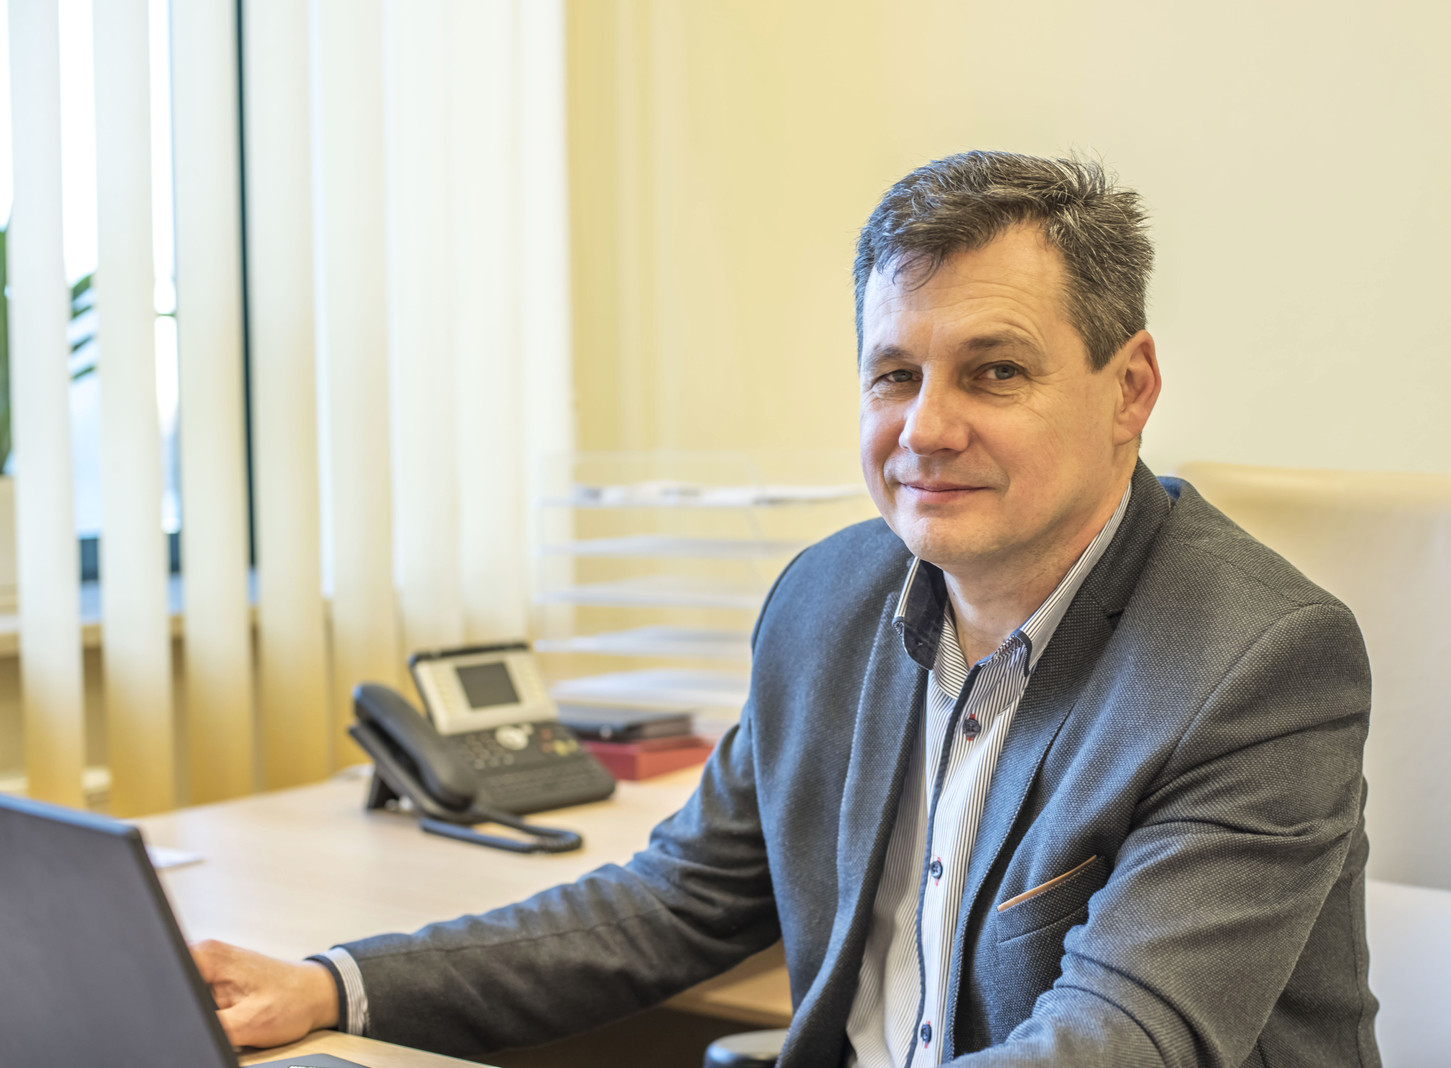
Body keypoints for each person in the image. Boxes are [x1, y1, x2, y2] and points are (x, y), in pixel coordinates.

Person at [193, 150, 1380, 1066]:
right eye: (894, 374)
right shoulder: (830, 599)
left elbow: (1121, 1045)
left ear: (1129, 390)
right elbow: (674, 904)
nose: (926, 428)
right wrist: (332, 986)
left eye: (995, 371)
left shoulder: (1256, 664)